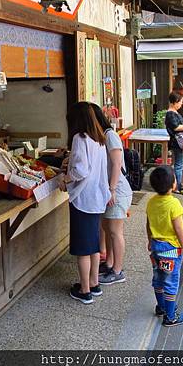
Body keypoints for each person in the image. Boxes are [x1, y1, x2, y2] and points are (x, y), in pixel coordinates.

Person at [59, 102, 111, 304]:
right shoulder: (98, 138)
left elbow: (81, 171)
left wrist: (65, 179)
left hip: (83, 199)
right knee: (93, 245)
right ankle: (94, 284)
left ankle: (85, 290)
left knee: (82, 247)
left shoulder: (79, 138)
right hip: (97, 197)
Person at [91, 104, 132, 285]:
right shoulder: (102, 136)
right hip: (110, 190)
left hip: (118, 191)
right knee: (108, 229)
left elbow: (116, 164)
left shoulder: (110, 135)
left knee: (115, 231)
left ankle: (117, 270)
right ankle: (109, 264)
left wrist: (112, 189)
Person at [146, 165, 183, 327]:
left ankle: (161, 307)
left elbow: (148, 223)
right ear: (173, 184)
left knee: (158, 278)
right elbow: (179, 229)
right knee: (171, 282)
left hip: (156, 248)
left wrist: (150, 240)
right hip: (171, 250)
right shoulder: (174, 204)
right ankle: (170, 316)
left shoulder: (151, 202)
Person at [164, 91, 183, 195]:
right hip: (177, 142)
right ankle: (178, 186)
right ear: (174, 102)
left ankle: (176, 184)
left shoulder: (174, 113)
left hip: (178, 141)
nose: (181, 104)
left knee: (178, 164)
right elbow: (176, 127)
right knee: (179, 165)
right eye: (180, 102)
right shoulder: (170, 114)